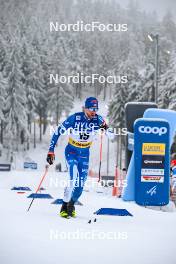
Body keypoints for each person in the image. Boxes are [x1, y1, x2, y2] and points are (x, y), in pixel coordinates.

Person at [46, 97, 114, 218]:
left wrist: (107, 130)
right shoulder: (75, 118)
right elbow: (58, 131)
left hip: (84, 154)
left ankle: (71, 204)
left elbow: (111, 135)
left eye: (96, 109)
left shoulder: (98, 120)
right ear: (85, 108)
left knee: (80, 185)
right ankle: (64, 205)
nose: (94, 111)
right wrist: (51, 150)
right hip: (72, 151)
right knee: (73, 178)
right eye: (92, 109)